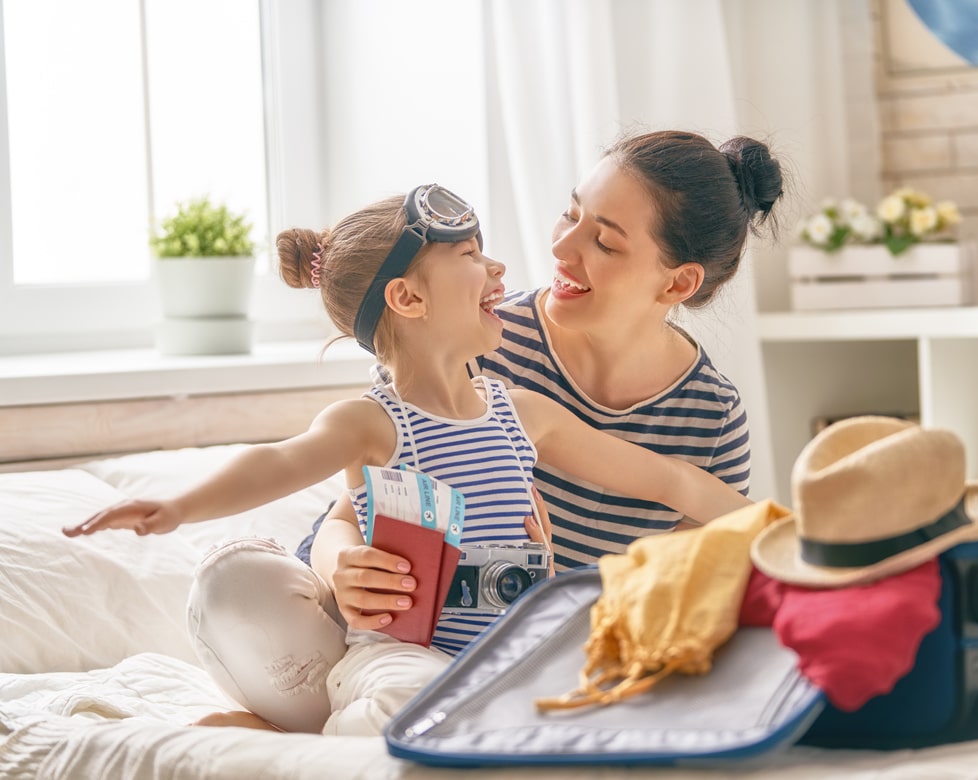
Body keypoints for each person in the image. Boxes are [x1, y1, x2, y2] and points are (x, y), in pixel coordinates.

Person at [62, 183, 756, 736]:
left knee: (594, 694)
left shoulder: (523, 412)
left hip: (512, 646)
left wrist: (787, 529)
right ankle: (313, 740)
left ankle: (301, 727)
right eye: (471, 257)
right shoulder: (373, 423)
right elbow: (278, 463)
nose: (499, 268)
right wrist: (178, 507)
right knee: (403, 696)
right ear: (407, 297)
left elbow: (669, 480)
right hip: (405, 650)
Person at [306, 130, 786, 580]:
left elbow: (669, 597)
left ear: (678, 282)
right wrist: (342, 567)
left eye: (604, 242)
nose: (560, 245)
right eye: (571, 214)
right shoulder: (479, 341)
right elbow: (347, 518)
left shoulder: (711, 418)